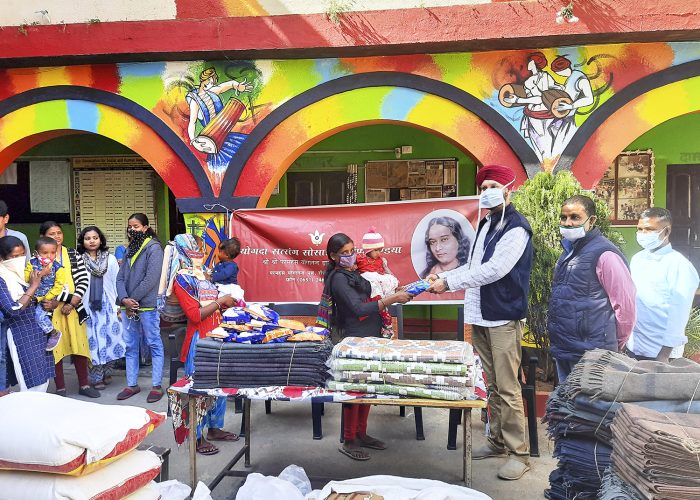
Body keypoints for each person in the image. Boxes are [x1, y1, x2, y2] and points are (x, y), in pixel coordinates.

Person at [427, 164, 533, 481]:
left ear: (508, 189)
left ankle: (519, 453)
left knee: (508, 387)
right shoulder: (486, 224)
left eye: (492, 186)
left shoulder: (517, 228)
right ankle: (498, 441)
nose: (485, 191)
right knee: (492, 385)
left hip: (503, 316)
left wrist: (448, 282)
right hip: (481, 315)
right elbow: (474, 266)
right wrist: (444, 276)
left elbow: (494, 271)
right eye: (482, 186)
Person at [324, 233, 413, 461]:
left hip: (370, 335)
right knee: (354, 389)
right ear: (333, 256)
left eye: (352, 250)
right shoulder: (338, 279)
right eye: (344, 253)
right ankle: (348, 438)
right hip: (353, 337)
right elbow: (359, 309)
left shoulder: (354, 273)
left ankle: (361, 433)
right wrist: (392, 300)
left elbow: (375, 293)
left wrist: (401, 291)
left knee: (366, 386)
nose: (349, 256)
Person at [548, 195, 636, 381]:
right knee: (567, 406)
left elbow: (625, 305)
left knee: (587, 408)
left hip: (592, 354)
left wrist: (616, 343)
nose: (568, 223)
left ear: (592, 220)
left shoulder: (605, 254)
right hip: (566, 348)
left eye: (575, 217)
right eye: (563, 218)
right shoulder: (569, 251)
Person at [170, 234, 242, 455]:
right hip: (200, 340)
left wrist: (226, 305)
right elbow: (194, 314)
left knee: (219, 384)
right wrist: (221, 302)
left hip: (216, 334)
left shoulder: (203, 276)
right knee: (200, 388)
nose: (201, 254)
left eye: (201, 249)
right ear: (186, 251)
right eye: (197, 249)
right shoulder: (182, 280)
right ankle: (197, 435)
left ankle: (214, 428)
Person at [626, 208, 699, 362]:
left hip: (661, 352)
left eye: (650, 229)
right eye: (640, 229)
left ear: (666, 231)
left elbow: (679, 313)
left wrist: (664, 355)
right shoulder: (637, 259)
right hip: (635, 346)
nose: (643, 234)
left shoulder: (679, 265)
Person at [39, 221, 99, 398]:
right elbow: (40, 285)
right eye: (52, 233)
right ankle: (60, 389)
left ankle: (85, 385)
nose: (57, 237)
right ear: (43, 236)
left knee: (79, 346)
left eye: (59, 233)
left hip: (74, 308)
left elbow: (83, 279)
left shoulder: (72, 253)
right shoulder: (40, 258)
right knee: (56, 349)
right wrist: (56, 301)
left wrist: (72, 302)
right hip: (51, 310)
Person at [116, 213, 165, 403]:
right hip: (127, 305)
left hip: (146, 306)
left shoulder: (154, 248)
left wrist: (132, 300)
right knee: (130, 345)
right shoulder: (129, 249)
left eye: (136, 226)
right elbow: (120, 278)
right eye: (130, 226)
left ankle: (156, 385)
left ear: (145, 228)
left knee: (154, 343)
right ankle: (131, 384)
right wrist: (123, 299)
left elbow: (151, 279)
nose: (132, 230)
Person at [0, 236, 55, 392]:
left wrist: (52, 302)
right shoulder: (2, 278)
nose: (20, 259)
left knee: (42, 377)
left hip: (35, 332)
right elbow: (12, 309)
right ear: (2, 258)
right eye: (14, 256)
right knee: (28, 379)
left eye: (22, 255)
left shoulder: (23, 272)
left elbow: (42, 296)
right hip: (19, 334)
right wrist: (34, 286)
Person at [78, 226, 125, 390]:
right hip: (88, 306)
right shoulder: (78, 259)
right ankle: (96, 377)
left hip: (108, 305)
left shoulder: (110, 259)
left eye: (95, 237)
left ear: (101, 240)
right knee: (94, 342)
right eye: (87, 238)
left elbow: (116, 281)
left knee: (113, 339)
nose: (91, 241)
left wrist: (118, 305)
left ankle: (106, 371)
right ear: (82, 241)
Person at [356, 227, 399, 339]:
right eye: (376, 250)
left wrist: (386, 268)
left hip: (380, 291)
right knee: (376, 312)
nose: (379, 253)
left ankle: (387, 328)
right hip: (368, 290)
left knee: (384, 312)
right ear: (368, 250)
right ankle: (386, 327)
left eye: (380, 250)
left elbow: (389, 276)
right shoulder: (360, 259)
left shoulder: (381, 261)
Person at [25, 236, 65, 350]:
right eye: (45, 253)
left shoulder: (58, 267)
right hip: (31, 296)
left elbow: (59, 286)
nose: (49, 256)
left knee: (39, 316)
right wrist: (41, 273)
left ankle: (53, 332)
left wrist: (47, 298)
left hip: (46, 299)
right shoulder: (31, 263)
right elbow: (27, 278)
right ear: (36, 253)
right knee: (29, 319)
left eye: (52, 252)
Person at [211, 237, 245, 302]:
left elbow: (223, 274)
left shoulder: (232, 266)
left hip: (228, 287)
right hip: (220, 286)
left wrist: (211, 277)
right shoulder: (220, 263)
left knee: (222, 298)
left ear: (226, 255)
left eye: (220, 252)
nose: (218, 253)